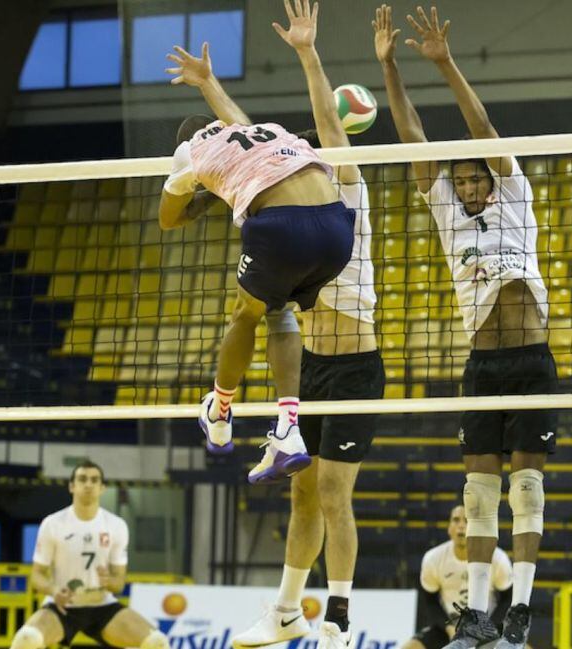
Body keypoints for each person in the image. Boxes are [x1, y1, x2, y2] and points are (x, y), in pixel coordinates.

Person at [374, 5, 557, 649]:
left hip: (531, 360)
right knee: (479, 495)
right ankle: (477, 615)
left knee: (526, 488)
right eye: (461, 178)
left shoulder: (515, 196)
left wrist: (445, 63)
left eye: (476, 175)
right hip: (483, 365)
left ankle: (520, 611)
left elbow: (481, 126)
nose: (469, 184)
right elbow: (413, 138)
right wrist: (390, 67)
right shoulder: (448, 213)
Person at [232, 2, 384, 648]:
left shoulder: (346, 189)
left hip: (356, 369)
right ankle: (287, 610)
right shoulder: (294, 211)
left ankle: (339, 619)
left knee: (332, 492)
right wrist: (211, 90)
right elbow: (246, 145)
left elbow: (327, 123)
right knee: (301, 496)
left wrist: (307, 52)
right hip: (312, 370)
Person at [160, 37, 356, 485]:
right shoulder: (259, 132)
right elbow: (237, 119)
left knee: (243, 314)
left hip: (284, 230)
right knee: (277, 308)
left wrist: (198, 190)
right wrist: (208, 82)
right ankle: (288, 429)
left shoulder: (191, 151)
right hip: (337, 229)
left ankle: (219, 411)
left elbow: (168, 220)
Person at [8, 461, 167, 649]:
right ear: (72, 486)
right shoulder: (53, 524)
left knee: (157, 642)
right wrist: (53, 590)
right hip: (63, 606)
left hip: (102, 605)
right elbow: (36, 575)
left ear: (102, 488)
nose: (88, 485)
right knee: (27, 639)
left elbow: (118, 583)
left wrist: (109, 581)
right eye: (82, 479)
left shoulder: (116, 526)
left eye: (94, 480)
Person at [405, 506, 513, 649]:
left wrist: (489, 629)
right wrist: (449, 628)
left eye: (467, 520)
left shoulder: (496, 558)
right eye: (456, 520)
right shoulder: (433, 559)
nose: (461, 525)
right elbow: (430, 601)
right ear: (449, 528)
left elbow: (508, 599)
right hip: (448, 629)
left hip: (488, 628)